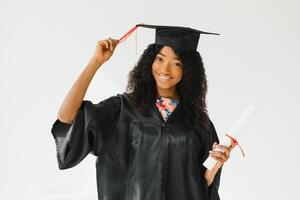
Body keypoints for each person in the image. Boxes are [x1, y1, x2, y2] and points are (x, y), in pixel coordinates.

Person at [51, 24, 236, 200]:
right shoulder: (122, 108)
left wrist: (215, 166)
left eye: (176, 63)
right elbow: (67, 117)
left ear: (188, 70)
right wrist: (96, 62)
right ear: (150, 60)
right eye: (160, 59)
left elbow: (199, 188)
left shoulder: (198, 122)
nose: (165, 69)